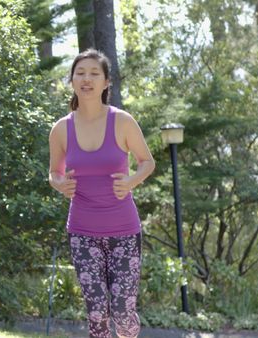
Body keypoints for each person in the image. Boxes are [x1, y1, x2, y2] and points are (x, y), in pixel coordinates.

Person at [48, 49, 155, 338]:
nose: (87, 78)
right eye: (80, 73)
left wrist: (131, 180)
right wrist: (59, 183)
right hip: (82, 231)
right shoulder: (61, 129)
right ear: (71, 81)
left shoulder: (122, 121)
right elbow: (54, 172)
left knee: (122, 310)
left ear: (106, 82)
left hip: (124, 231)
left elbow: (148, 162)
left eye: (94, 73)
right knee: (96, 313)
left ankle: (130, 332)